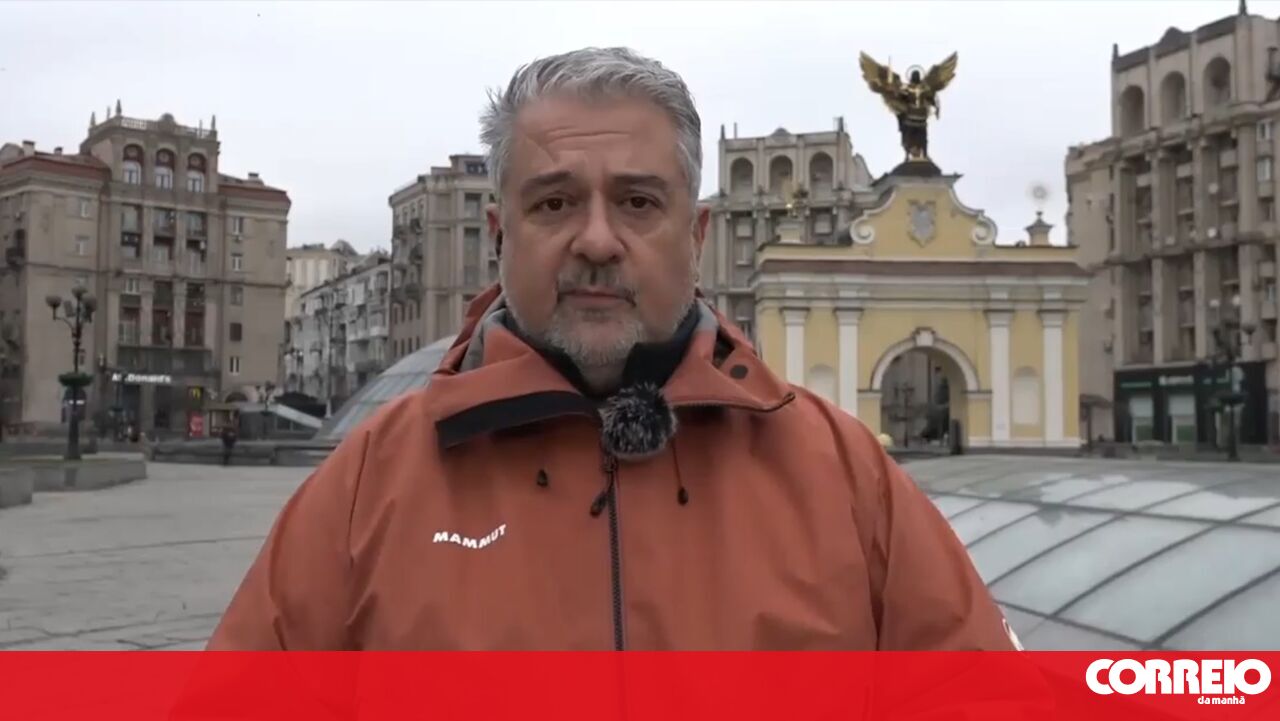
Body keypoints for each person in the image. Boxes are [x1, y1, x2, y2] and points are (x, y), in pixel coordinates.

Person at [207, 47, 1017, 651]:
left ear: (695, 235)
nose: (597, 239)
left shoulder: (845, 480)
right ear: (500, 235)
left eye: (637, 202)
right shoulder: (368, 486)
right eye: (555, 202)